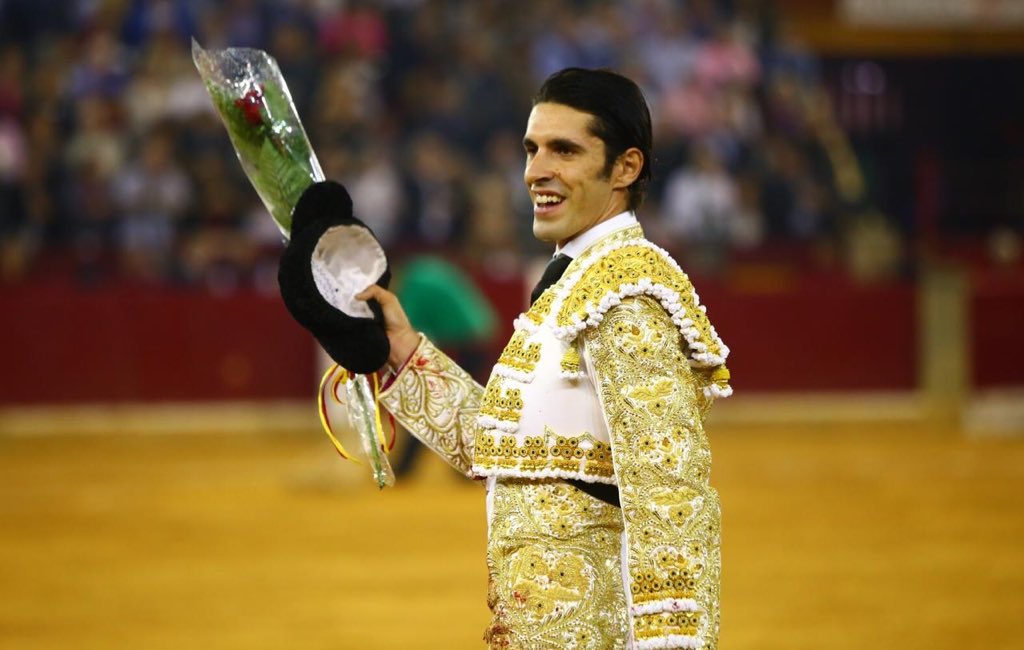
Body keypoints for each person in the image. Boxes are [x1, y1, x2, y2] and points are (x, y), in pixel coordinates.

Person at [357, 68, 731, 649]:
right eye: (532, 149)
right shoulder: (573, 287)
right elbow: (500, 448)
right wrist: (394, 348)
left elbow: (671, 506)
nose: (536, 171)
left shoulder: (627, 296)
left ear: (625, 168)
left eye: (566, 150)